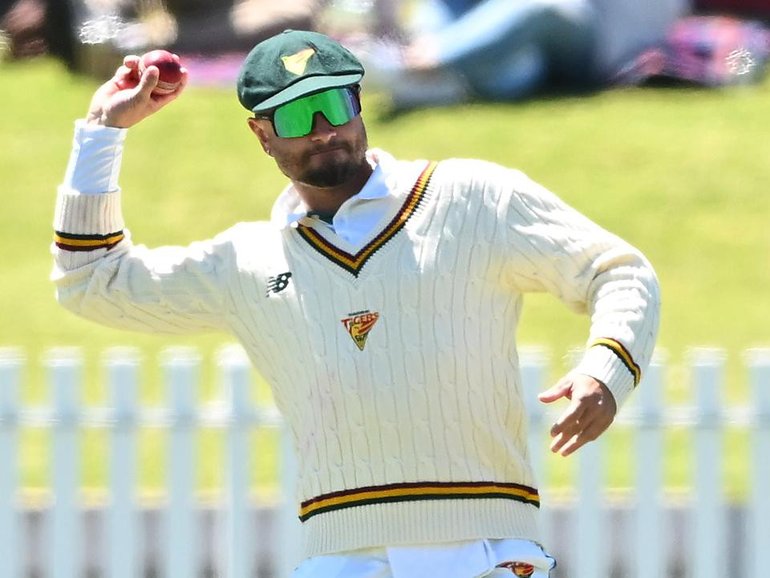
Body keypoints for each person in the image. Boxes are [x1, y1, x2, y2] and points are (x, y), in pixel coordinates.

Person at [51, 30, 660, 578]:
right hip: (339, 560)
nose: (322, 129)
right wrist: (103, 131)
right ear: (260, 134)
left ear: (360, 103)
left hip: (486, 550)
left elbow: (617, 270)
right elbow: (91, 280)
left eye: (334, 103)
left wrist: (605, 370)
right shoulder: (247, 260)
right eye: (295, 114)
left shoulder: (474, 197)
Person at [357, 0, 690, 110]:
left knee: (540, 6)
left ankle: (419, 64)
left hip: (600, 47)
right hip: (544, 47)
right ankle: (433, 73)